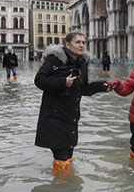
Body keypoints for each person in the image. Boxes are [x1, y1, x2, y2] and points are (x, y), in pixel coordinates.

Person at [34, 31, 114, 176]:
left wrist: (102, 86)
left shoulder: (82, 63)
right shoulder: (54, 60)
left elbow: (83, 88)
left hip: (71, 117)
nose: (82, 45)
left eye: (83, 42)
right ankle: (61, 190)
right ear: (67, 44)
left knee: (68, 155)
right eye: (78, 42)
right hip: (54, 117)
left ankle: (67, 189)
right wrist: (62, 82)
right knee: (62, 157)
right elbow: (39, 80)